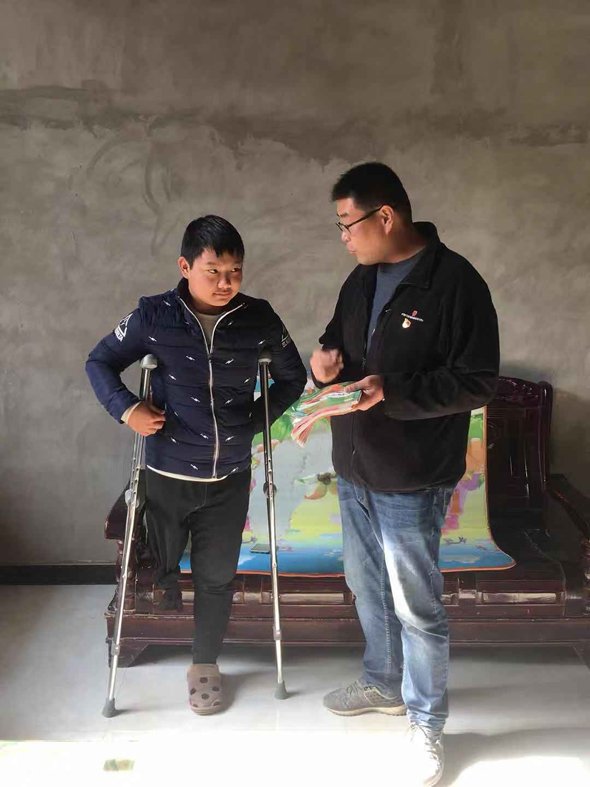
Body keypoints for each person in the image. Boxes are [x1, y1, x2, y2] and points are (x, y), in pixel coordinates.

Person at [310, 163, 499, 786]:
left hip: (413, 474)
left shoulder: (455, 284)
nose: (344, 237)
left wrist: (391, 390)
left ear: (385, 216)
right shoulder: (360, 279)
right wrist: (324, 363)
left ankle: (427, 723)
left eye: (348, 224)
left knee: (417, 607)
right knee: (366, 586)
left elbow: (477, 382)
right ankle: (384, 682)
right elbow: (336, 343)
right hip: (355, 465)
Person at [86, 215, 306, 715]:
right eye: (213, 271)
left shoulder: (258, 318)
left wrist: (255, 421)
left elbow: (291, 378)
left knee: (216, 575)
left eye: (235, 271)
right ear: (185, 267)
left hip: (230, 476)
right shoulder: (154, 315)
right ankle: (159, 626)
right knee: (160, 566)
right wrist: (127, 408)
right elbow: (99, 361)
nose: (226, 283)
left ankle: (204, 663)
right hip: (167, 472)